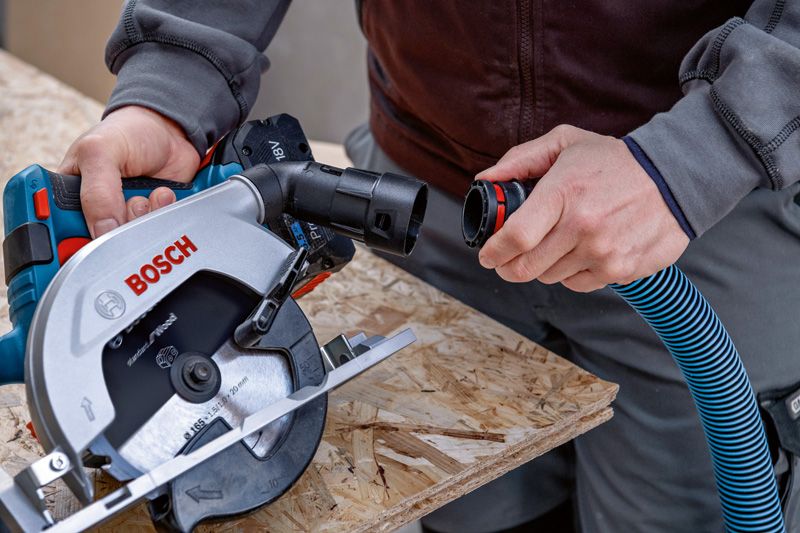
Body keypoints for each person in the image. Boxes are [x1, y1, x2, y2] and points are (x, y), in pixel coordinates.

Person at [61, 1, 800, 531]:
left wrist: (698, 155)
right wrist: (173, 87)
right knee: (462, 505)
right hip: (431, 182)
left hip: (700, 207)